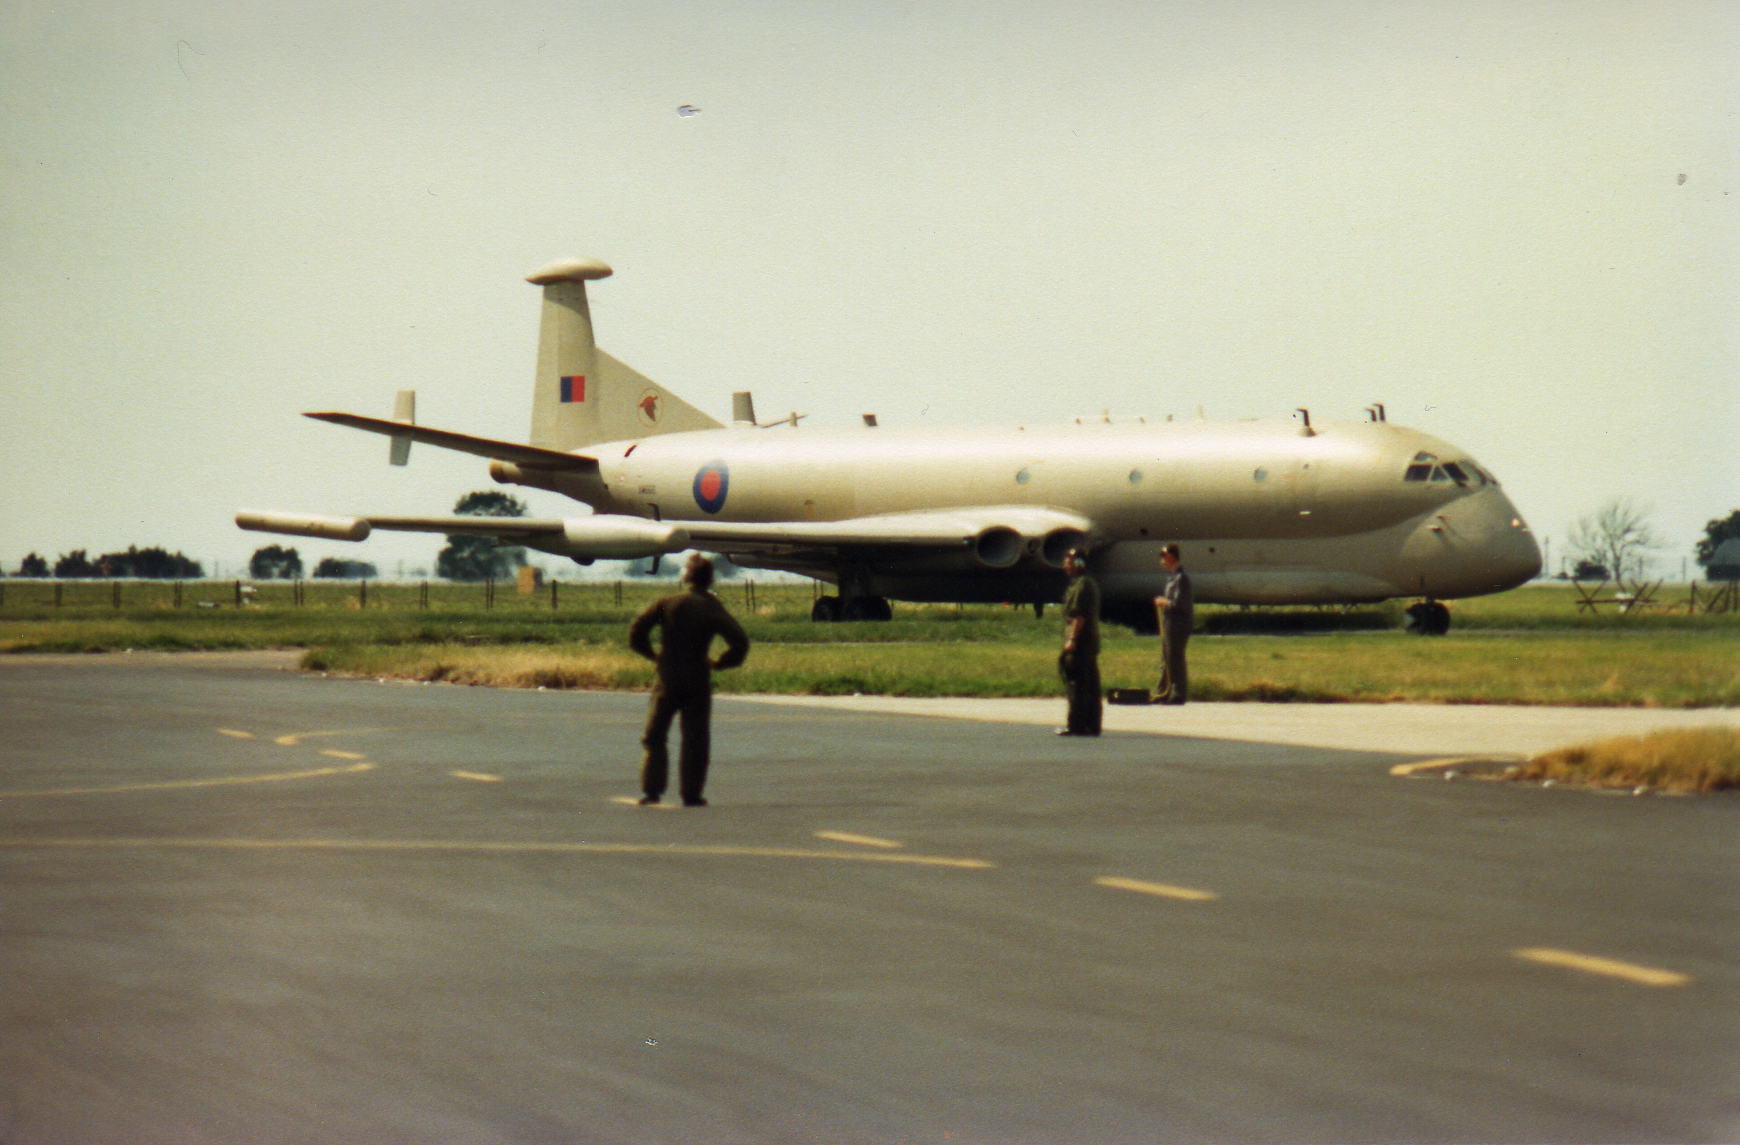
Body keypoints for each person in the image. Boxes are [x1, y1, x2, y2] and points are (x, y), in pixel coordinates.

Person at [627, 553, 750, 806]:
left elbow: (637, 631)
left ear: (686, 576)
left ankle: (652, 790)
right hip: (697, 679)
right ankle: (691, 794)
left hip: (667, 678)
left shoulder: (669, 603)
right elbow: (740, 642)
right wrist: (720, 663)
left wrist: (652, 655)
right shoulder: (712, 607)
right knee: (695, 738)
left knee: (655, 735)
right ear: (710, 579)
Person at [1056, 548, 1102, 736]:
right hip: (1089, 640)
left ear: (1078, 564)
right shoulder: (1086, 583)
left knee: (1077, 684)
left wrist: (1071, 640)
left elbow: (1078, 616)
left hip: (1081, 641)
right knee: (1090, 685)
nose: (1064, 565)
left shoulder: (1081, 586)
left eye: (1068, 561)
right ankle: (1092, 725)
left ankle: (1076, 725)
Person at [1153, 543, 1194, 705]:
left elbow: (1180, 602)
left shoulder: (1181, 578)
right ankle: (1163, 691)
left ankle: (1178, 693)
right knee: (1166, 658)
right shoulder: (1171, 577)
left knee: (1174, 657)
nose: (1161, 559)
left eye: (1163, 555)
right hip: (1169, 622)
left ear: (1171, 556)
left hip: (1179, 623)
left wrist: (1164, 602)